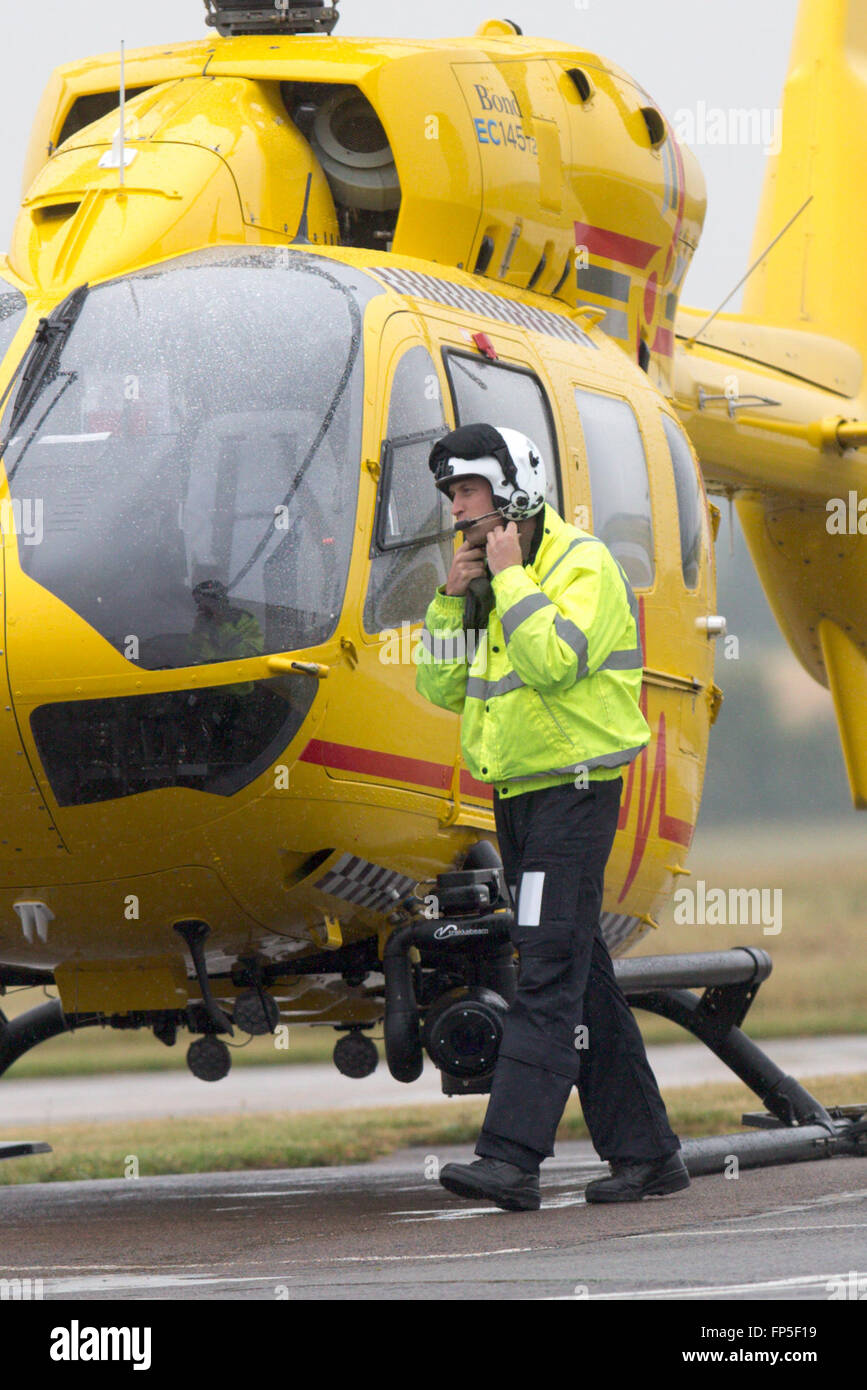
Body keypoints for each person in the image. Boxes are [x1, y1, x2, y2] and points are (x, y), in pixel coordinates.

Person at [415, 423, 690, 1210]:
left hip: (573, 792)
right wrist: (449, 597)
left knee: (543, 970)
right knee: (580, 972)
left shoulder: (582, 564)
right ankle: (646, 1154)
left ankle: (510, 1158)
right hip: (518, 797)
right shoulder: (495, 577)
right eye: (452, 495)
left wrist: (508, 583)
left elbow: (552, 662)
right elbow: (438, 689)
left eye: (468, 490)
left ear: (515, 489)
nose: (458, 507)